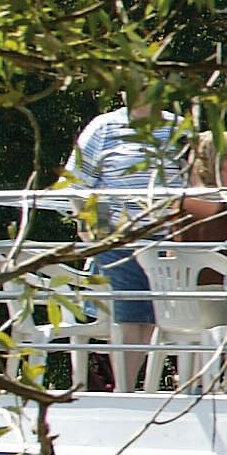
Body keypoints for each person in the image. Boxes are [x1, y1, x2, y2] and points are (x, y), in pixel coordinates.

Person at [65, 94, 187, 379]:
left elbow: (195, 180)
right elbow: (76, 182)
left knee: (154, 319)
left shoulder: (179, 128)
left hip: (167, 242)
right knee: (131, 316)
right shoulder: (104, 127)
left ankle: (129, 388)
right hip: (119, 238)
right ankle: (124, 390)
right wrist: (90, 228)